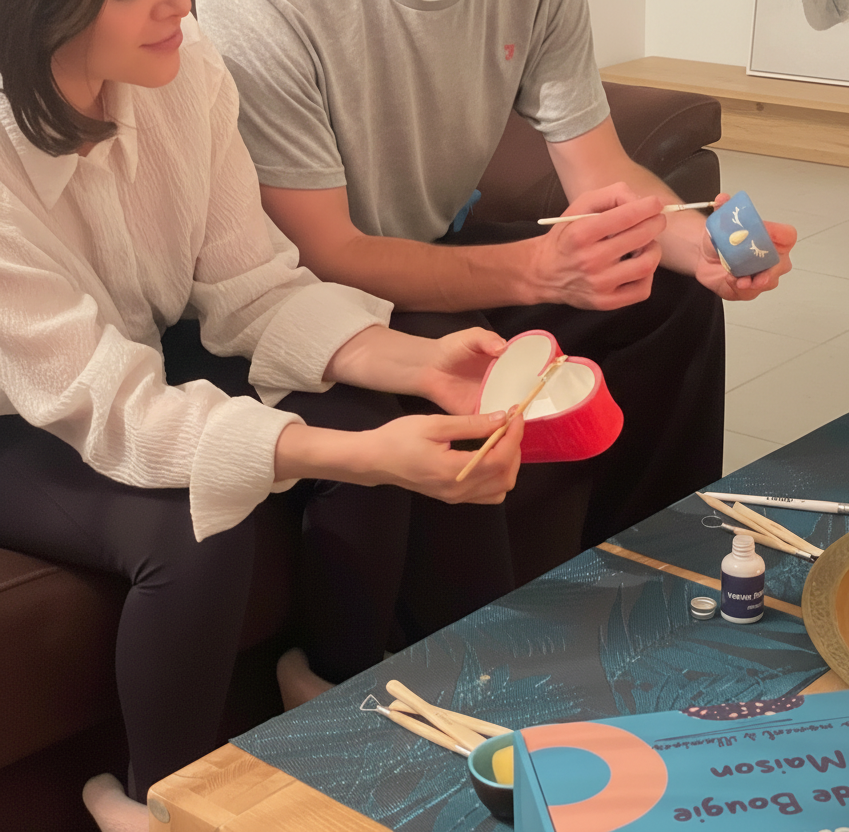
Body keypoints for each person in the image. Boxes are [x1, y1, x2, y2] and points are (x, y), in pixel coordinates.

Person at [0, 1, 523, 829]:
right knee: (198, 528)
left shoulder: (182, 65)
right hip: (20, 408)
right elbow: (113, 406)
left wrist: (420, 363)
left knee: (362, 415)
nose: (183, 4)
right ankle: (160, 811)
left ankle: (335, 696)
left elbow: (251, 285)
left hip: (130, 352)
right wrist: (362, 457)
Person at [197, 0, 798, 593]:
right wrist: (538, 271)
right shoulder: (263, 13)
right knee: (468, 379)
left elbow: (599, 170)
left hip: (432, 243)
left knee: (666, 290)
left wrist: (701, 246)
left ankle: (662, 572)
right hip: (308, 291)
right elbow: (328, 252)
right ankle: (491, 637)